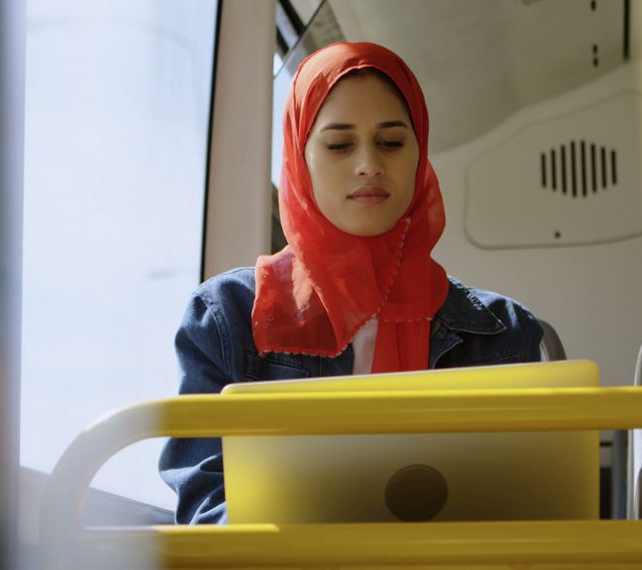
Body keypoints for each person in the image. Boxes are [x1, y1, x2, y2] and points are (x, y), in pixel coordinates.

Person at [158, 42, 545, 525]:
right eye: (340, 144)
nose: (369, 164)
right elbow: (206, 510)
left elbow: (531, 516)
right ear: (300, 160)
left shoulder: (505, 334)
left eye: (392, 142)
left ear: (420, 152)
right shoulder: (225, 317)